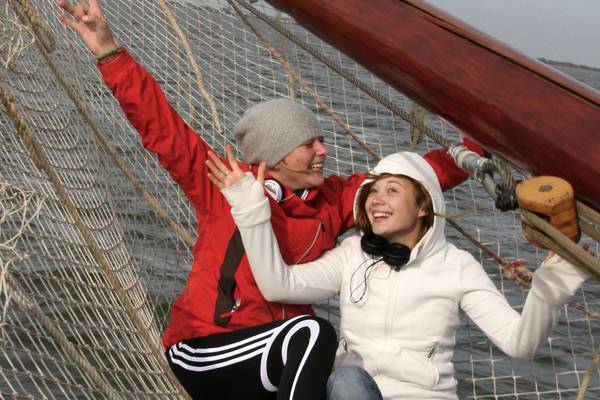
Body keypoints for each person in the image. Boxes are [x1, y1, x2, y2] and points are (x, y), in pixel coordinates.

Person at [57, 1, 485, 398]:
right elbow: (161, 128)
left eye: (321, 140)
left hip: (277, 356)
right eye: (309, 143)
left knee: (345, 376)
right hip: (205, 347)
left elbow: (405, 181)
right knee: (313, 333)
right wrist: (109, 51)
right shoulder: (225, 185)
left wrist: (476, 152)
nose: (323, 151)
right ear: (277, 154)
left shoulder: (331, 202)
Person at [212, 150, 589, 400]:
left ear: (424, 204)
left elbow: (519, 343)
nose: (377, 199)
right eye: (373, 191)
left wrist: (552, 285)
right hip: (351, 393)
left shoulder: (455, 266)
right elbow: (280, 284)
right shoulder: (353, 255)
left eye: (392, 190)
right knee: (345, 382)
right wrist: (250, 209)